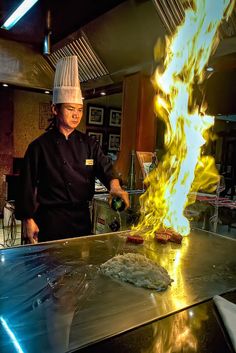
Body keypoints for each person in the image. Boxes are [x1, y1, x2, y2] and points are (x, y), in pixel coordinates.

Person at [15, 56, 129, 244]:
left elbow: (105, 167)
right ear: (55, 109)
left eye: (79, 109)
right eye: (70, 109)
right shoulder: (39, 147)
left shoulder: (89, 143)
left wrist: (115, 187)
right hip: (51, 221)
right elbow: (25, 186)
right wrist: (28, 220)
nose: (76, 115)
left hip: (81, 220)